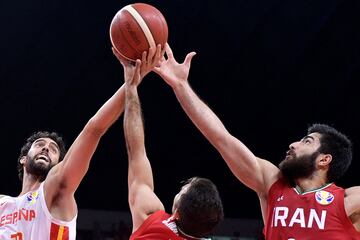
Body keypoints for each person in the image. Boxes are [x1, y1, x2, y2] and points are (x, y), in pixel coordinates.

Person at [153, 43, 360, 239]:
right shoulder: (273, 184)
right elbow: (220, 138)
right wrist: (180, 85)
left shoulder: (348, 201)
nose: (293, 144)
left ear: (324, 159)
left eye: (307, 142)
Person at [0, 45, 162, 239]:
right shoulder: (3, 204)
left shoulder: (54, 187)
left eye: (53, 149)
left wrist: (130, 84)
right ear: (23, 159)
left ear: (59, 164)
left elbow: (93, 130)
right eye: (40, 144)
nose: (45, 148)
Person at [122, 56, 224, 240]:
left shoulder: (151, 220)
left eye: (182, 190)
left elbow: (136, 151)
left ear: (176, 213)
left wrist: (131, 86)